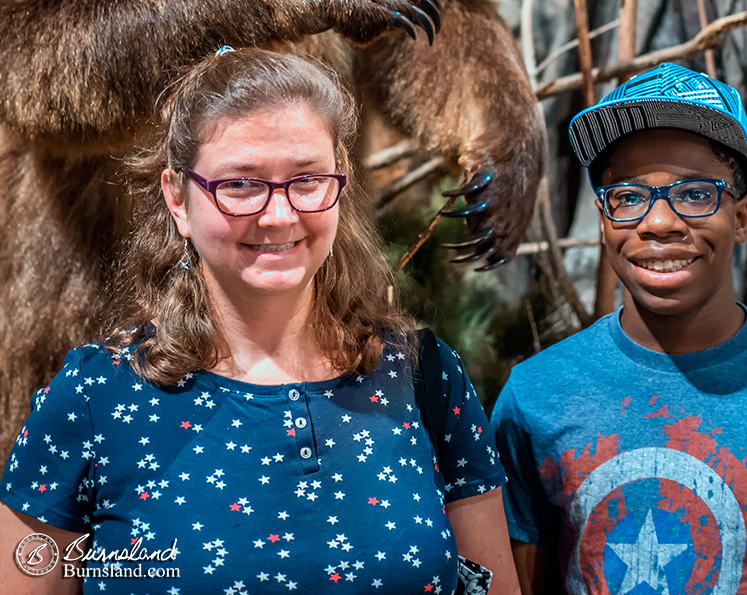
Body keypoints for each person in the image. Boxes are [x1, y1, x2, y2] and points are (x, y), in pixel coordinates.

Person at [1, 47, 519, 594]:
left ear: (339, 181)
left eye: (307, 179)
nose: (278, 215)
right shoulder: (95, 396)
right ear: (177, 197)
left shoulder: (422, 377)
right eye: (240, 184)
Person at [492, 62, 747, 594]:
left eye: (696, 193)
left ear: (742, 217)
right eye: (630, 197)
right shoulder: (537, 395)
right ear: (604, 219)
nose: (659, 222)